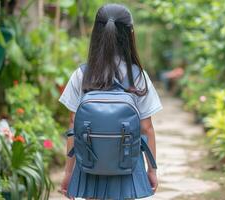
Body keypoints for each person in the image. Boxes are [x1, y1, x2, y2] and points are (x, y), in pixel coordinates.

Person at [58, 4, 162, 200]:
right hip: (127, 166)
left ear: (96, 33)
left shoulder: (82, 74)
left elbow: (74, 126)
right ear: (130, 34)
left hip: (89, 166)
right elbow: (146, 128)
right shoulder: (138, 76)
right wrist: (152, 170)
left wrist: (68, 173)